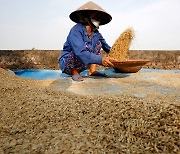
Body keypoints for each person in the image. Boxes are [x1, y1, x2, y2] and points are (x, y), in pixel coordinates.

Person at [59, 1, 117, 81]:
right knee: (84, 47)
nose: (98, 19)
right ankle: (75, 72)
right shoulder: (76, 30)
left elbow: (106, 47)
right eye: (95, 16)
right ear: (86, 17)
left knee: (98, 44)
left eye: (99, 17)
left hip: (83, 63)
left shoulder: (96, 33)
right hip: (68, 63)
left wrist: (117, 55)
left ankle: (92, 70)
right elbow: (80, 51)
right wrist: (101, 60)